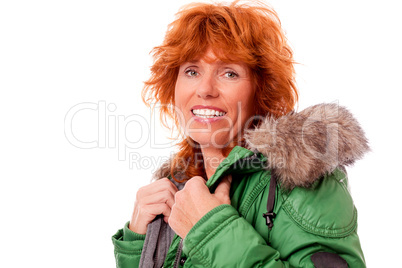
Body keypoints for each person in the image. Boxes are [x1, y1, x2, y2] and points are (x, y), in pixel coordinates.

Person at [112, 1, 369, 267]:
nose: (205, 89)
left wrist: (212, 232)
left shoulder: (300, 180)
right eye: (191, 71)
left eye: (229, 73)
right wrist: (140, 245)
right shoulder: (178, 191)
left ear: (261, 91)